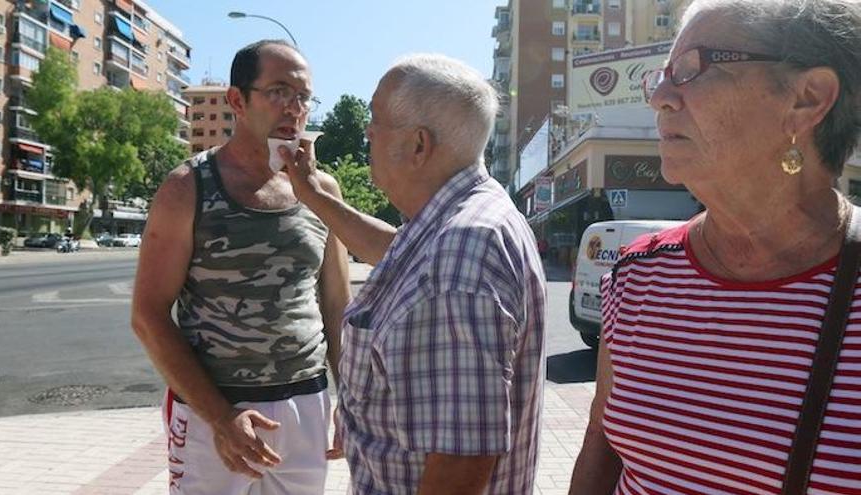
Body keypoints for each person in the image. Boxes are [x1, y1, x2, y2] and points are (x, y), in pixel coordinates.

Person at [569, 0, 861, 493]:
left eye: (690, 70)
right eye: (661, 76)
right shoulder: (639, 273)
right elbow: (602, 446)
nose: (659, 96)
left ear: (808, 98)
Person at [281, 54, 546, 495]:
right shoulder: (466, 216)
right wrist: (312, 194)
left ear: (419, 145)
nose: (367, 131)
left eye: (376, 119)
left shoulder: (462, 254)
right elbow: (397, 254)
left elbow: (461, 464)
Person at [131, 39, 351, 495]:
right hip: (213, 407)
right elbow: (149, 316)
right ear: (237, 100)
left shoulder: (322, 188)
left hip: (305, 401)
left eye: (304, 96)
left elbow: (336, 305)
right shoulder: (187, 187)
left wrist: (349, 399)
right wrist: (220, 416)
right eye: (278, 91)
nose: (294, 107)